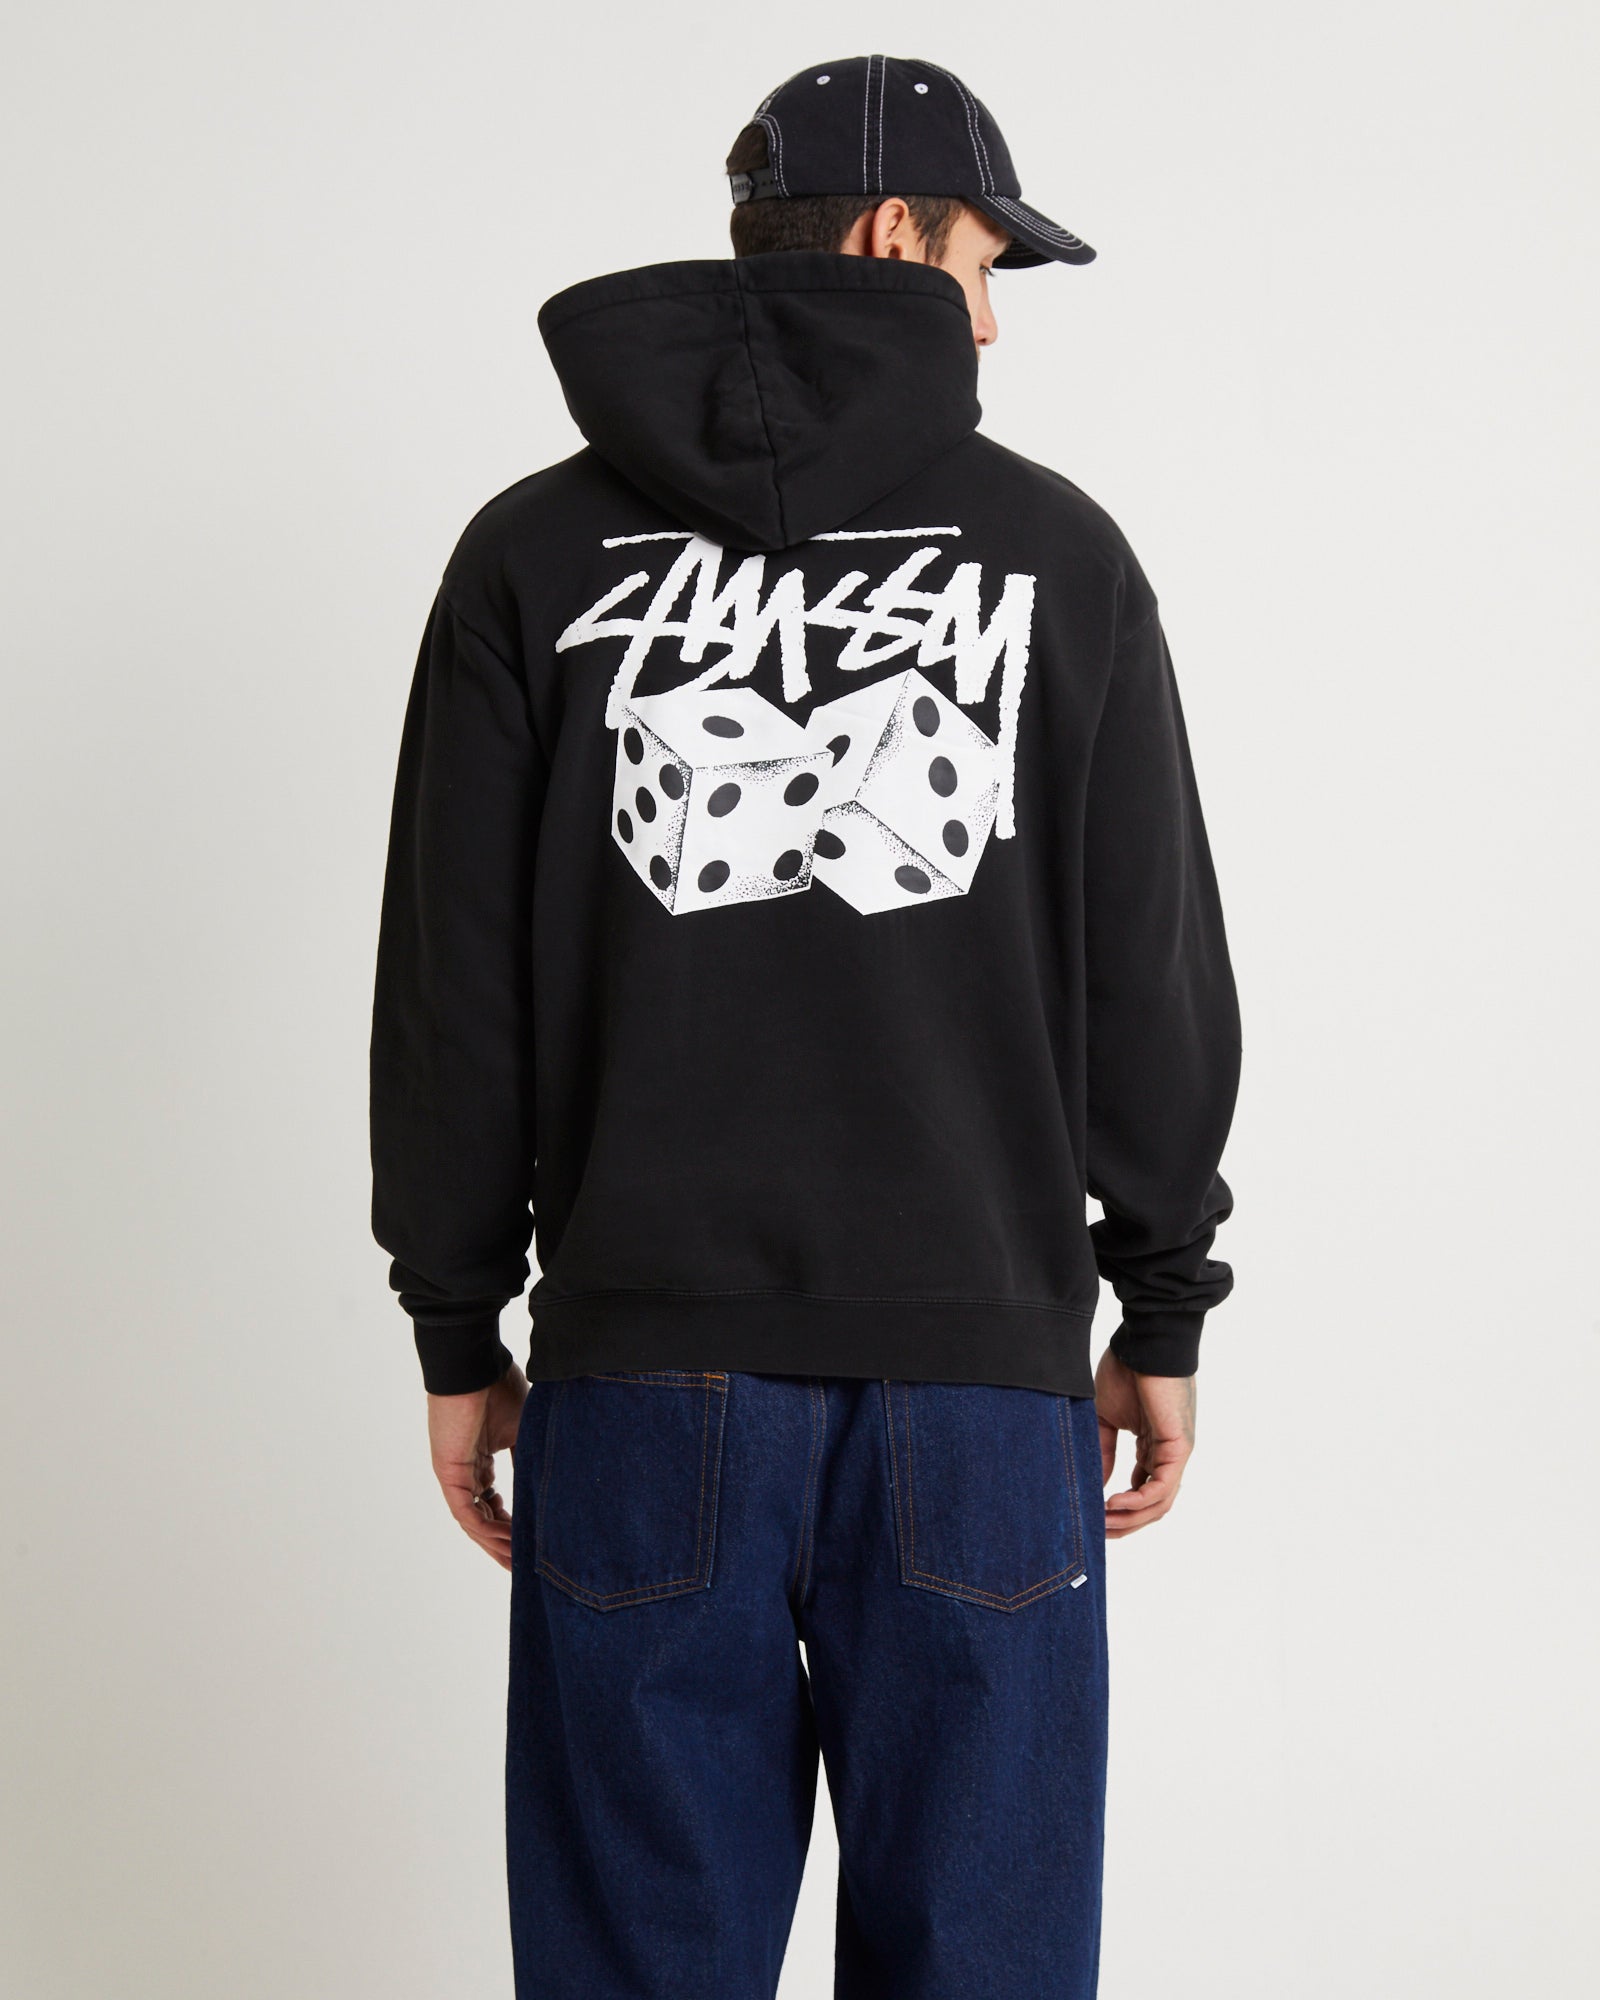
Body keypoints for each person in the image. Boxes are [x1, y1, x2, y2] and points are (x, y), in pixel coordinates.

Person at [369, 52, 1240, 2000]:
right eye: (986, 262)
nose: (993, 318)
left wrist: (459, 1325)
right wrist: (1162, 1302)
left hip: (642, 1386)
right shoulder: (1057, 555)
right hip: (977, 1389)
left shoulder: (529, 557)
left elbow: (451, 993)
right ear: (892, 234)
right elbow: (1151, 972)